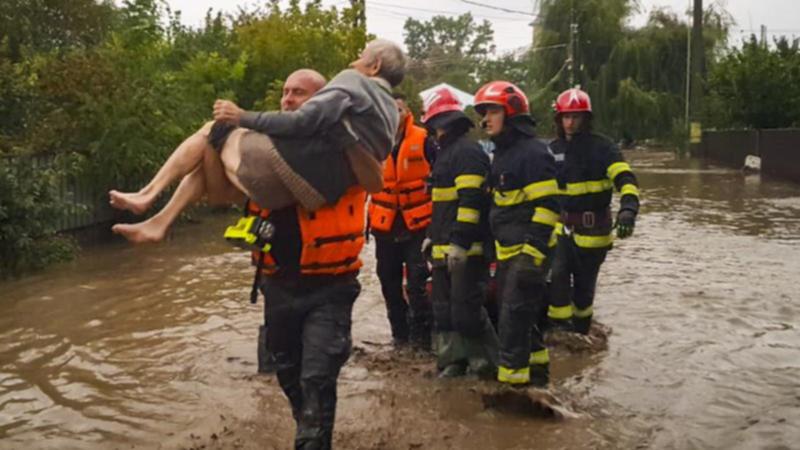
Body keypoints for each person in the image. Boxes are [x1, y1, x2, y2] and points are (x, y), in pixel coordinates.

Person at [108, 39, 406, 243]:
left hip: (281, 172)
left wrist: (241, 116)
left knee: (215, 126)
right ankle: (157, 222)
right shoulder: (391, 115)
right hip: (306, 196)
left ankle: (148, 194)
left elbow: (303, 122)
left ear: (375, 65)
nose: (354, 62)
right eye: (285, 92)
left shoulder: (352, 82)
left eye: (361, 56)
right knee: (206, 151)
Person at [474, 80, 560, 387]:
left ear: (511, 113)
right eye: (483, 112)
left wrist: (531, 257)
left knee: (511, 323)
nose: (485, 119)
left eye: (492, 111)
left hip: (528, 253)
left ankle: (512, 392)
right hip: (510, 254)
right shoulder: (504, 154)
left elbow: (549, 207)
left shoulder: (533, 154)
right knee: (522, 319)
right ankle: (537, 377)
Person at [250, 69, 328, 374]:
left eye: (298, 93)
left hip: (324, 275)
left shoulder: (333, 145)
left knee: (317, 369)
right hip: (276, 271)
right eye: (285, 92)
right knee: (278, 366)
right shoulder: (263, 141)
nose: (287, 99)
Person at [547, 88, 640, 335]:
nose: (570, 123)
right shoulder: (552, 149)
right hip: (560, 229)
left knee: (584, 289)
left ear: (586, 119)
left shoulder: (604, 148)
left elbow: (626, 179)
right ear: (558, 119)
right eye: (566, 117)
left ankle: (582, 333)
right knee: (556, 276)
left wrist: (628, 210)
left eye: (576, 117)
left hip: (594, 231)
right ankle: (560, 333)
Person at [421, 87, 499, 378]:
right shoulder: (445, 154)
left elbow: (471, 203)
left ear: (440, 123)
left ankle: (488, 367)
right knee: (443, 312)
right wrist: (431, 234)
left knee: (467, 313)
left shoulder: (467, 153)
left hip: (466, 252)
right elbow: (442, 205)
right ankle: (453, 362)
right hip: (443, 249)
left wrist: (460, 244)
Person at [368, 93, 436, 350]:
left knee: (417, 284)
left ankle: (421, 341)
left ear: (406, 112)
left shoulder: (424, 140)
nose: (391, 114)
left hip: (417, 226)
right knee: (388, 283)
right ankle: (400, 337)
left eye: (397, 109)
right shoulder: (372, 142)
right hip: (384, 226)